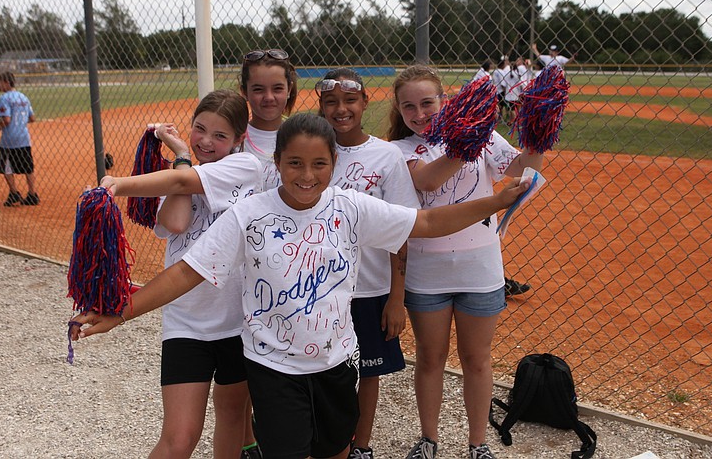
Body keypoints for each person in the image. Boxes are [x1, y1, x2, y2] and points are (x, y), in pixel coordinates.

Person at [70, 113, 530, 459]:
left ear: (334, 164)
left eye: (318, 164)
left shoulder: (350, 207)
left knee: (335, 448)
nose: (306, 176)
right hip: (273, 367)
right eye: (294, 163)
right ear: (277, 162)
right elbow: (187, 271)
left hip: (335, 362)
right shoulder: (249, 215)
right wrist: (121, 313)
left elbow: (426, 221)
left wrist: (493, 200)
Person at [95, 90, 265, 459]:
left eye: (220, 136)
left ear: (239, 139)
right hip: (186, 321)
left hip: (238, 321)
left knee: (233, 417)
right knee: (180, 436)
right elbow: (176, 220)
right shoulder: (181, 171)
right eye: (199, 129)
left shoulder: (247, 168)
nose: (206, 141)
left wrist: (118, 183)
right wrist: (182, 158)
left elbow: (181, 184)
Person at [387, 65, 544, 459]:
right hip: (428, 273)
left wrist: (539, 134)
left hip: (481, 269)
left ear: (445, 100)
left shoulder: (485, 138)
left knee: (477, 360)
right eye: (409, 107)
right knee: (431, 358)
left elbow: (522, 169)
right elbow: (426, 182)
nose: (420, 114)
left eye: (428, 103)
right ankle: (428, 439)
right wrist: (466, 142)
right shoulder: (402, 150)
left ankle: (478, 444)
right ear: (399, 110)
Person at [316, 69, 421, 459]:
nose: (341, 109)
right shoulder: (314, 148)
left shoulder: (386, 155)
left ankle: (361, 446)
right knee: (323, 368)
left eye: (349, 100)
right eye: (331, 102)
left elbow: (402, 228)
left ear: (364, 102)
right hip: (321, 286)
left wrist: (397, 297)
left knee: (368, 371)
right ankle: (328, 442)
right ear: (321, 106)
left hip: (372, 286)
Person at [238, 49, 298, 191]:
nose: (269, 97)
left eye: (277, 88)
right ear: (244, 91)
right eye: (258, 89)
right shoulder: (233, 138)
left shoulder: (300, 135)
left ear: (289, 89)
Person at [0, 72, 39, 207]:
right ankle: (32, 194)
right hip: (24, 138)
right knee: (27, 167)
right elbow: (32, 118)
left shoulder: (4, 98)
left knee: (6, 167)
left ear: (7, 82)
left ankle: (14, 193)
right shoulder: (23, 97)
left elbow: (6, 119)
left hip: (9, 140)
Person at [503, 57, 533, 126]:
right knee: (517, 107)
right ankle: (515, 120)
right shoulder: (518, 74)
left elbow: (504, 84)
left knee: (512, 108)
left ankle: (514, 121)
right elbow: (520, 83)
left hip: (510, 93)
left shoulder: (509, 73)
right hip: (517, 92)